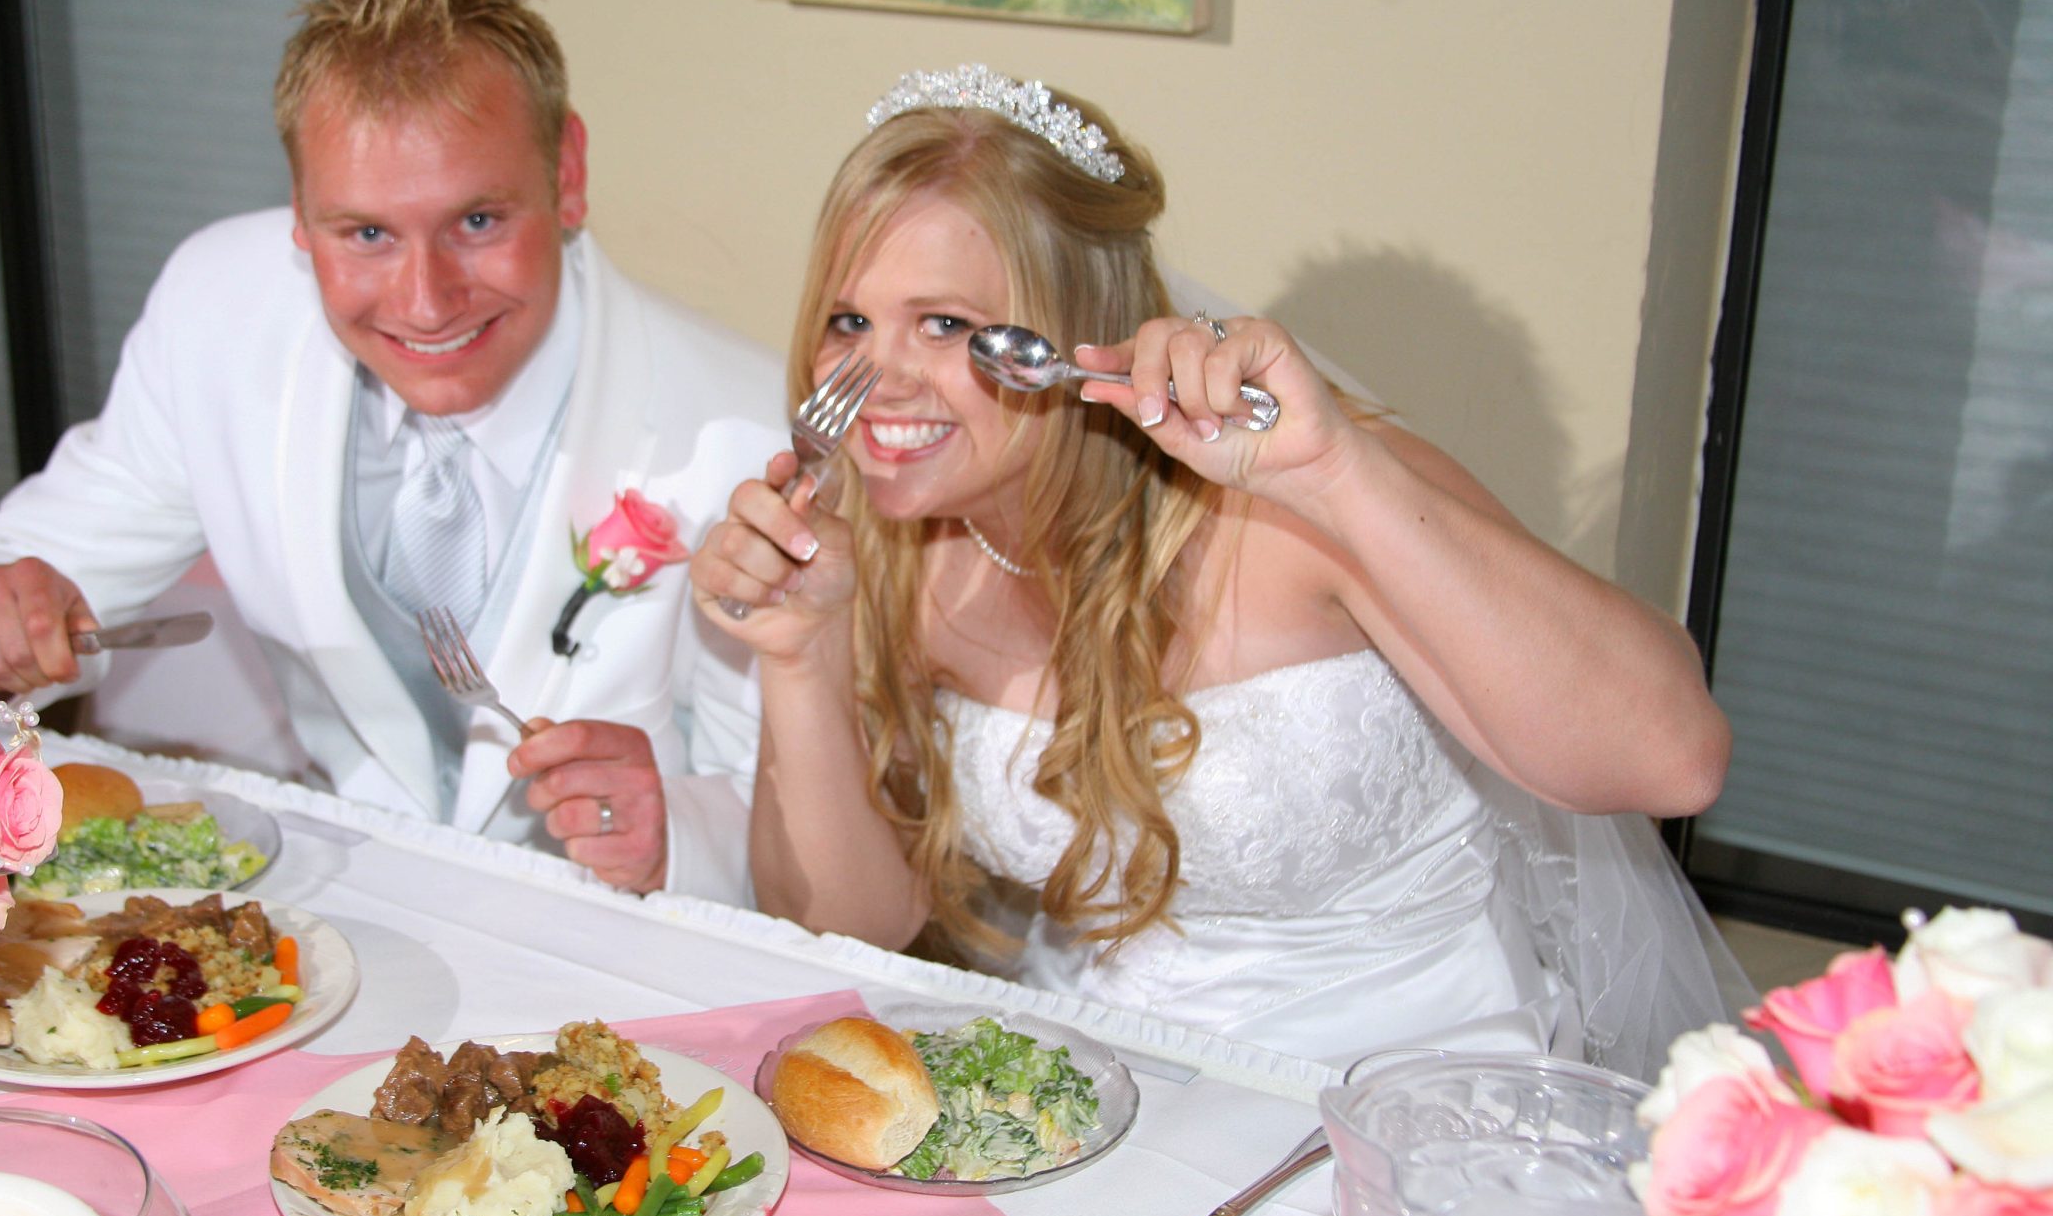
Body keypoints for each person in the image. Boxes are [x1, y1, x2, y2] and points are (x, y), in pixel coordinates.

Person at [691, 65, 1738, 1073]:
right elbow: (850, 926)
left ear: (1077, 335)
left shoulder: (1294, 508)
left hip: (1415, 1096)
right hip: (1114, 1099)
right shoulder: (894, 550)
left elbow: (1673, 761)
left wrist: (1334, 475)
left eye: (945, 324)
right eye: (849, 319)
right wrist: (801, 652)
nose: (875, 376)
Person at [0, 0, 782, 902]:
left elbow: (801, 839)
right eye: (368, 233)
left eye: (477, 222)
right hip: (348, 915)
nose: (426, 302)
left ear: (568, 170)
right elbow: (21, 580)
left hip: (624, 947)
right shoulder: (217, 312)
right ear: (300, 214)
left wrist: (677, 834)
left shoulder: (747, 434)